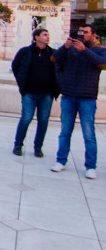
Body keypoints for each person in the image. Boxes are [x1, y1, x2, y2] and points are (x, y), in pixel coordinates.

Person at [51, 24, 106, 179]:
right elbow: (54, 59)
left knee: (88, 134)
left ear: (94, 35)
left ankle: (90, 166)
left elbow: (102, 64)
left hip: (87, 98)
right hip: (69, 95)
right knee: (65, 131)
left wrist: (85, 50)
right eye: (81, 32)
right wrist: (65, 47)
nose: (83, 35)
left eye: (86, 32)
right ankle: (60, 161)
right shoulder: (72, 48)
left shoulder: (100, 49)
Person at [11, 27, 58, 158]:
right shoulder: (25, 52)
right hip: (29, 93)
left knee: (43, 121)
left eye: (48, 35)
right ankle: (18, 145)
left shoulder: (52, 53)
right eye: (44, 35)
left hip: (47, 94)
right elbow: (15, 66)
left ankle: (38, 147)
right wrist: (22, 83)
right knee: (26, 119)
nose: (47, 37)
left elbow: (59, 69)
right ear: (36, 37)